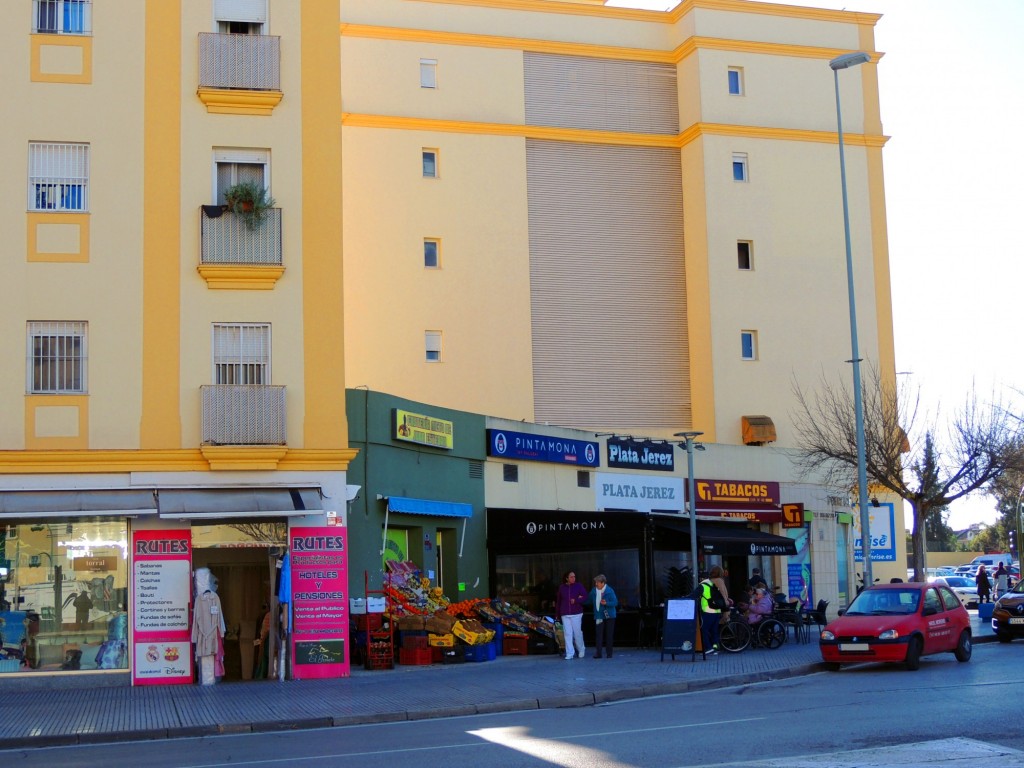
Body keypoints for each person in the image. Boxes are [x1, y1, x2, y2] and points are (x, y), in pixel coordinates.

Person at [554, 571, 588, 660]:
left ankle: (581, 649)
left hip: (576, 613)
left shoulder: (578, 586)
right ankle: (569, 653)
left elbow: (585, 596)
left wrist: (576, 600)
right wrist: (557, 614)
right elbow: (559, 601)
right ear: (567, 578)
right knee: (567, 633)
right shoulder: (562, 587)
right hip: (565, 613)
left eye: (574, 576)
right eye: (571, 577)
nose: (573, 578)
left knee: (577, 633)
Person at [588, 574, 618, 659]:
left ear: (603, 583)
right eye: (596, 582)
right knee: (599, 635)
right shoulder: (594, 591)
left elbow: (615, 602)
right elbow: (588, 600)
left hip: (610, 616)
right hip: (599, 615)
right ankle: (599, 653)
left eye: (597, 582)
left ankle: (609, 653)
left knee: (609, 634)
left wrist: (606, 603)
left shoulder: (609, 590)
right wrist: (578, 599)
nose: (596, 584)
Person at [699, 567, 725, 656]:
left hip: (708, 610)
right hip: (717, 609)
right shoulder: (719, 581)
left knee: (704, 629)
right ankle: (715, 648)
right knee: (714, 630)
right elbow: (723, 593)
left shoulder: (708, 582)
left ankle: (709, 648)